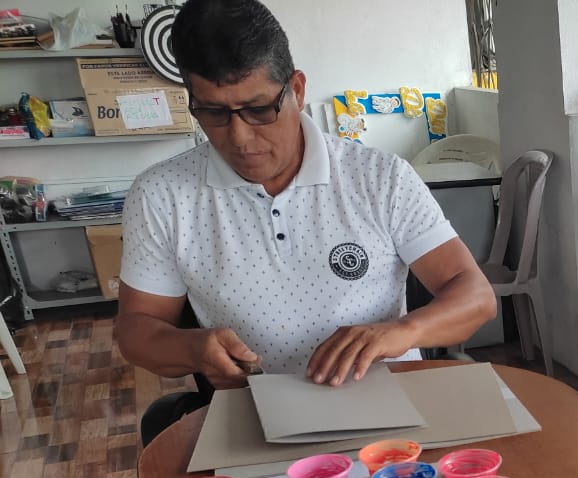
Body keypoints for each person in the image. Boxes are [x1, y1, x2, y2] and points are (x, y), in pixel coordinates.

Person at [116, 0, 495, 413]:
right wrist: (193, 349)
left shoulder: (379, 177)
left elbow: (476, 296)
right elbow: (136, 331)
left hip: (387, 406)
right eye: (214, 112)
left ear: (296, 90)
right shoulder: (161, 195)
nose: (239, 137)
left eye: (259, 109)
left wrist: (402, 332)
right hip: (256, 412)